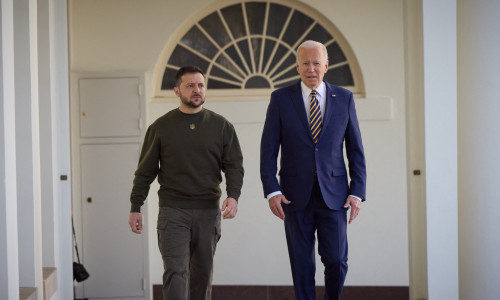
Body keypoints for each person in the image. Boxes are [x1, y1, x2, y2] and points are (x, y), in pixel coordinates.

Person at [260, 40, 366, 300]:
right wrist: (271, 190)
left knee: (337, 260)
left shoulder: (344, 98)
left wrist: (357, 191)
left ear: (326, 66)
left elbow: (355, 149)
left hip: (336, 196)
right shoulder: (281, 99)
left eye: (316, 63)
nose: (311, 68)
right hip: (294, 196)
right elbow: (268, 150)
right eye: (305, 63)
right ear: (297, 66)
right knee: (302, 265)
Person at [128, 65, 244, 300]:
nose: (196, 90)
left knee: (202, 275)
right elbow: (145, 172)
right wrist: (135, 206)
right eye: (190, 85)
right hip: (173, 212)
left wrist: (233, 195)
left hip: (208, 211)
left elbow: (234, 165)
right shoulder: (160, 127)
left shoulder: (221, 126)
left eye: (200, 85)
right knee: (177, 272)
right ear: (176, 91)